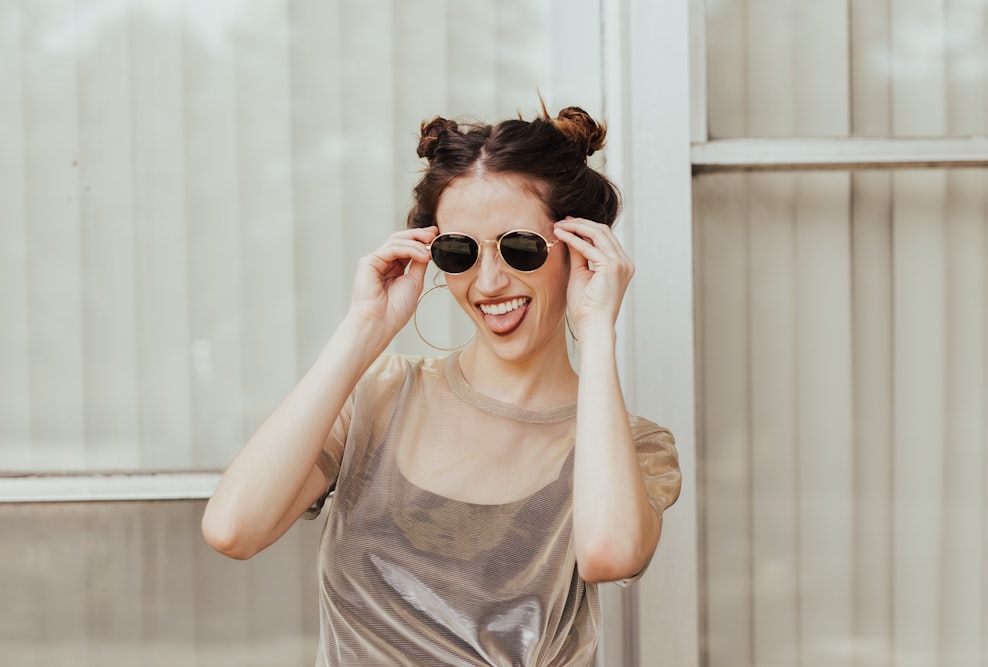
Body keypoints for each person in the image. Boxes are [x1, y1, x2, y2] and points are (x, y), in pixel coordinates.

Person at [202, 104, 682, 666]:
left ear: (578, 250)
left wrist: (598, 330)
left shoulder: (631, 445)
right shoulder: (380, 395)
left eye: (520, 247)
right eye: (460, 252)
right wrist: (363, 329)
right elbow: (234, 529)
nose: (489, 281)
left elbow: (609, 554)